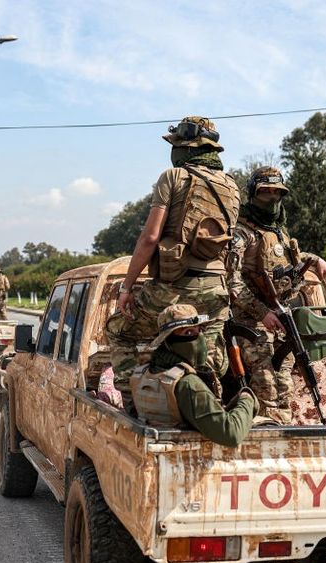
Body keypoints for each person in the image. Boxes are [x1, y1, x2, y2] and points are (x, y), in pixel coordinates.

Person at [105, 116, 240, 404]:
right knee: (208, 354)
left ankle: (134, 405)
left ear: (185, 148)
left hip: (174, 289)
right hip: (217, 290)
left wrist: (127, 288)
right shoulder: (232, 186)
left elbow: (150, 238)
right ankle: (206, 408)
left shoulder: (174, 177)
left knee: (118, 332)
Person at [227, 166, 326, 424]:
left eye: (278, 193)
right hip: (250, 323)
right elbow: (231, 280)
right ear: (253, 194)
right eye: (265, 192)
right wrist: (262, 313)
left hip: (281, 320)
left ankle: (284, 430)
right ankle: (266, 434)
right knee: (265, 385)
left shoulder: (278, 230)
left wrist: (316, 260)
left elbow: (291, 262)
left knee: (285, 382)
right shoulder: (242, 233)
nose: (272, 199)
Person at [130, 305, 258, 447]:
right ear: (168, 341)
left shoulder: (143, 373)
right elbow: (230, 434)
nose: (198, 338)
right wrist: (247, 398)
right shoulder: (187, 383)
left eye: (200, 330)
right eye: (188, 332)